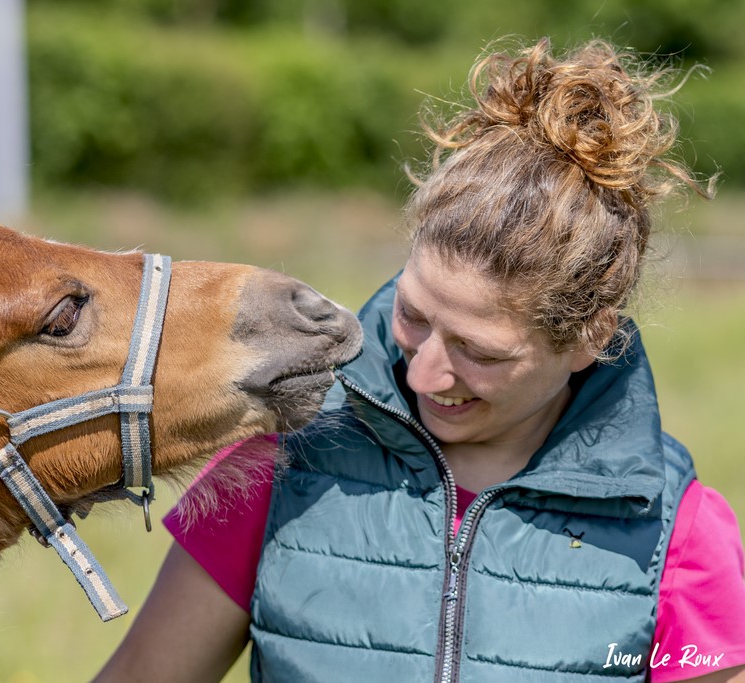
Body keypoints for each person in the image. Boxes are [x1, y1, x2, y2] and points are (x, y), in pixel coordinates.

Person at [94, 37, 745, 683]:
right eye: (413, 315)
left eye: (478, 350)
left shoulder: (677, 532)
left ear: (588, 339)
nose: (423, 372)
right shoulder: (284, 460)